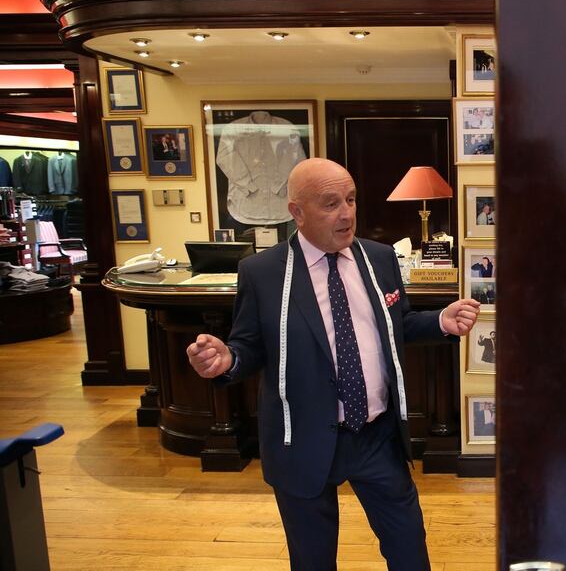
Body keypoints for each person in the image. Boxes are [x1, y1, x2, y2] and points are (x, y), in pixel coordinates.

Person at [186, 158, 480, 570]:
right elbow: (249, 346)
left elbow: (396, 325)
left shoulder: (378, 258)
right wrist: (226, 360)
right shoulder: (263, 272)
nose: (346, 214)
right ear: (297, 212)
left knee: (409, 547)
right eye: (330, 203)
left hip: (376, 437)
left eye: (351, 199)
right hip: (301, 440)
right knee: (313, 559)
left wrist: (441, 322)